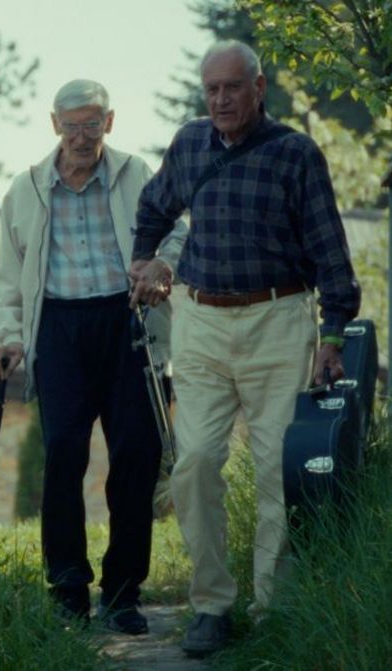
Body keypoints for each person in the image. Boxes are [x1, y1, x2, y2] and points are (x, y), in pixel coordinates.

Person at [131, 40, 360, 658]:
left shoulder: (296, 153)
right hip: (201, 322)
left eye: (233, 87)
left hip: (278, 321)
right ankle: (211, 605)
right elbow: (152, 208)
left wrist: (333, 335)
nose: (221, 100)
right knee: (194, 463)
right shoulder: (188, 143)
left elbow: (330, 251)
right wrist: (145, 260)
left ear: (259, 88)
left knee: (275, 473)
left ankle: (271, 611)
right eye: (212, 89)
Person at [0, 79, 186, 635]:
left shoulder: (136, 174)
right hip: (59, 329)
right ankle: (68, 588)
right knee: (63, 456)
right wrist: (9, 336)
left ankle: (123, 593)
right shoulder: (25, 189)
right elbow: (8, 278)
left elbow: (178, 233)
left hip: (129, 322)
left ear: (109, 122)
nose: (81, 136)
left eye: (91, 124)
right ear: (55, 125)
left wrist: (162, 266)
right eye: (71, 126)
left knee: (136, 457)